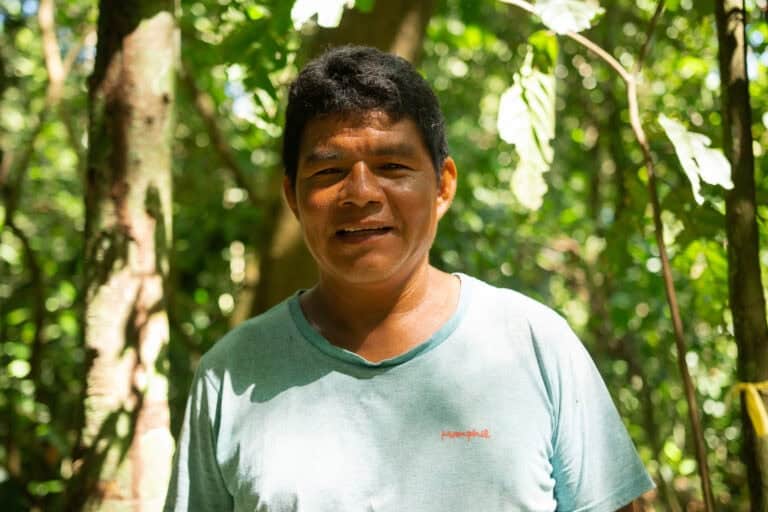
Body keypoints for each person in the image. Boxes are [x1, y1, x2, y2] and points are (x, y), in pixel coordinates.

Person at [164, 45, 654, 511]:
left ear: (442, 186)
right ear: (293, 196)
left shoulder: (532, 343)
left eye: (392, 166)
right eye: (329, 172)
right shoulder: (231, 374)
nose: (361, 193)